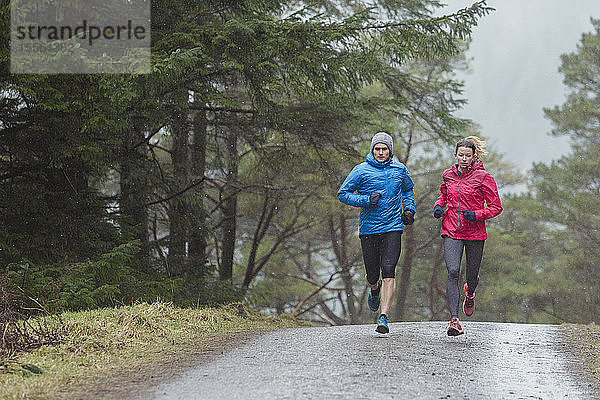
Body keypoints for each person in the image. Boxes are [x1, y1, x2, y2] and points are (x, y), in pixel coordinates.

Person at [337, 132, 415, 334]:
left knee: (389, 268)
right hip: (369, 229)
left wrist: (408, 210)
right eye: (377, 149)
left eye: (384, 149)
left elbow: (407, 190)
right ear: (372, 150)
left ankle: (384, 316)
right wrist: (365, 200)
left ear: (390, 150)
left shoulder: (399, 169)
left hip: (393, 227)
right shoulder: (361, 170)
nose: (381, 152)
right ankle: (374, 288)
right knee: (373, 273)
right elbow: (343, 194)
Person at [433, 136, 502, 336]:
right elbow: (444, 194)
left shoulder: (483, 177)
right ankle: (454, 320)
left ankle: (470, 293)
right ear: (455, 156)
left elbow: (496, 207)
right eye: (460, 155)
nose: (463, 159)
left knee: (472, 275)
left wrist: (476, 215)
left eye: (467, 156)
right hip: (452, 230)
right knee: (453, 271)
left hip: (474, 233)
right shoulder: (448, 175)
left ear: (474, 157)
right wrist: (439, 206)